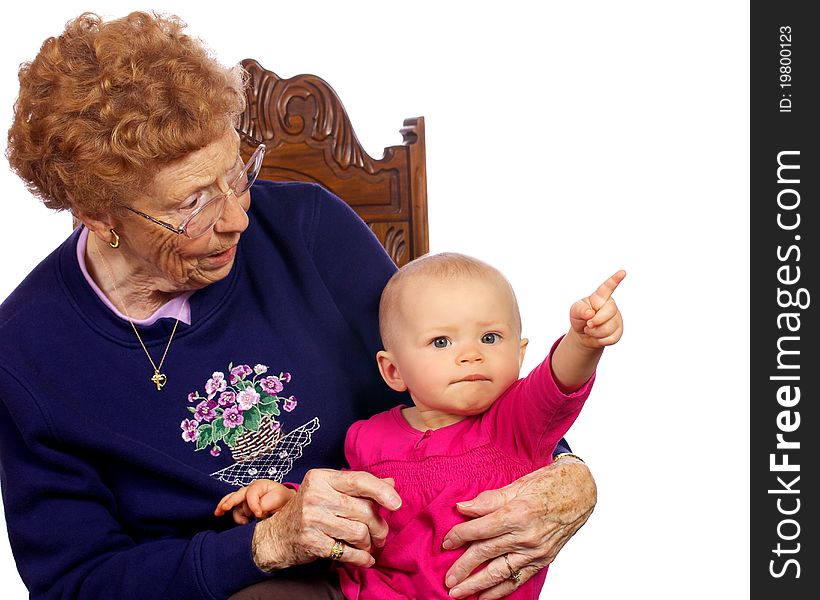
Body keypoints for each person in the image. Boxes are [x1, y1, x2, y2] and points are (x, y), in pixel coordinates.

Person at [0, 11, 597, 600]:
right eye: (194, 203)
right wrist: (264, 544)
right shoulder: (28, 355)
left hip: (411, 562)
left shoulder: (309, 228)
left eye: (237, 173)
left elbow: (442, 367)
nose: (238, 218)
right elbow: (78, 583)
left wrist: (564, 472)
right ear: (99, 215)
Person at [217, 253, 624, 599]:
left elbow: (559, 381)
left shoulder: (516, 423)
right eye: (442, 342)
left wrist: (584, 343)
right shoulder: (368, 435)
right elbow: (346, 506)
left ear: (520, 353)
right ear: (393, 370)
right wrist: (287, 500)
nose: (470, 355)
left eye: (490, 338)